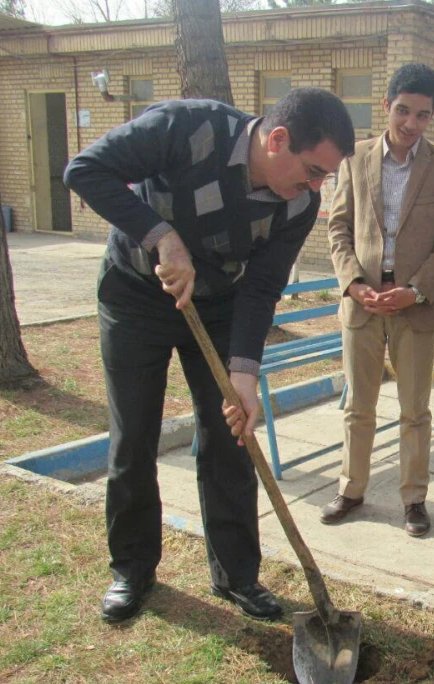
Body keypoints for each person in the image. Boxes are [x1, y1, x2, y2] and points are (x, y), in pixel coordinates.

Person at [64, 90, 355, 624]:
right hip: (137, 297)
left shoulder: (299, 202)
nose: (317, 187)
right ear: (278, 139)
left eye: (325, 178)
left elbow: (263, 286)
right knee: (133, 438)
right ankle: (132, 568)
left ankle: (237, 574)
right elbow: (85, 170)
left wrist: (244, 373)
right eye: (314, 170)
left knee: (230, 438)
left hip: (219, 305)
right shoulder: (186, 128)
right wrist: (162, 236)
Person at [321, 63, 434, 534]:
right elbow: (339, 227)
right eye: (403, 110)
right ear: (386, 105)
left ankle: (413, 499)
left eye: (422, 115)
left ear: (431, 117)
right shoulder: (354, 158)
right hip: (361, 306)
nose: (410, 123)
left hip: (415, 308)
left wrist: (417, 289)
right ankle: (350, 489)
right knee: (358, 406)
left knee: (414, 410)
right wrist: (352, 284)